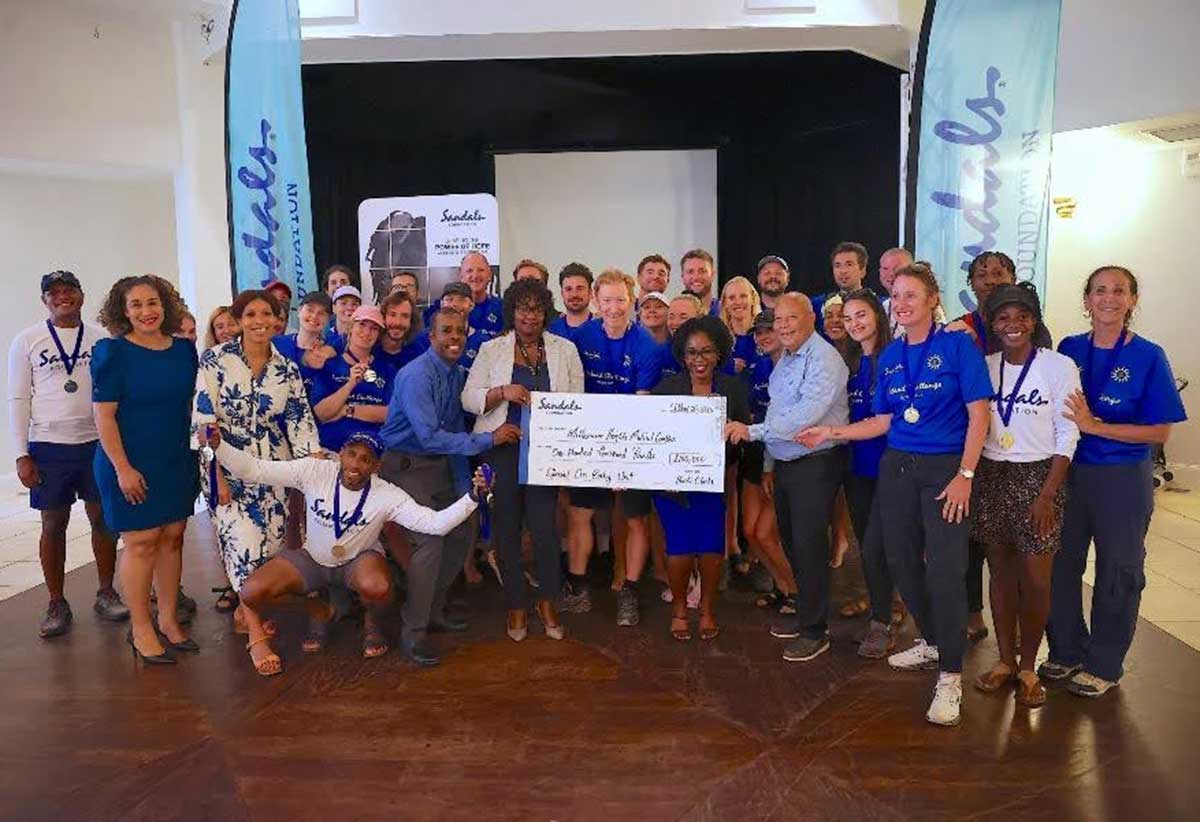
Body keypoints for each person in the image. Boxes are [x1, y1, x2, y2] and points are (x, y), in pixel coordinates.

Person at [798, 263, 992, 726]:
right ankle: (929, 640)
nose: (902, 304)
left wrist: (966, 474)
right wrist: (833, 430)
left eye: (912, 295)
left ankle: (950, 676)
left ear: (931, 299)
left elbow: (979, 414)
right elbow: (884, 420)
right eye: (897, 297)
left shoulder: (957, 346)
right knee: (900, 561)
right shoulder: (890, 357)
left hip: (947, 468)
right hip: (898, 468)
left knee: (944, 570)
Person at [203, 428, 490, 675]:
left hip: (358, 561)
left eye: (365, 459)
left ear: (376, 466)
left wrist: (473, 497)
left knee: (377, 585)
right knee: (250, 591)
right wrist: (219, 446)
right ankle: (317, 608)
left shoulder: (387, 493)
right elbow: (255, 469)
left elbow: (435, 524)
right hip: (313, 560)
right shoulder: (315, 471)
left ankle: (372, 619)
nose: (356, 464)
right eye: (351, 454)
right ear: (340, 454)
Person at [1045, 266, 1187, 698]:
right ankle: (1065, 651)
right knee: (1060, 564)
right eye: (1100, 290)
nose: (1109, 298)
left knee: (1118, 570)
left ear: (1132, 301)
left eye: (1119, 291)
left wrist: (1096, 426)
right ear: (1086, 300)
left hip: (1123, 478)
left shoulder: (1149, 355)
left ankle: (1104, 664)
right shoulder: (1069, 349)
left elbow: (1160, 431)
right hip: (1070, 473)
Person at [379, 306, 522, 666]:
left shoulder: (457, 374)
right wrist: (489, 440)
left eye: (460, 331)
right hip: (407, 465)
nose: (454, 337)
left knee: (462, 531)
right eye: (446, 331)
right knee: (430, 542)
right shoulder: (417, 376)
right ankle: (412, 634)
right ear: (431, 336)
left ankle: (432, 610)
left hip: (443, 465)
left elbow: (460, 421)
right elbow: (428, 437)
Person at [970, 283, 1080, 708]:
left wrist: (1047, 494)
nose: (1012, 324)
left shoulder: (1059, 366)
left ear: (1034, 321)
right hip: (992, 473)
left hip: (1040, 476)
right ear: (992, 325)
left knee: (1036, 578)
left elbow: (1069, 431)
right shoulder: (985, 365)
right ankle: (1005, 662)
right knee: (1000, 574)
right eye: (1003, 318)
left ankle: (1031, 665)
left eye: (1021, 317)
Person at [725, 293, 848, 664]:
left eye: (791, 318)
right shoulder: (787, 360)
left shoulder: (825, 358)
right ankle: (807, 617)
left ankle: (816, 631)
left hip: (817, 463)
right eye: (778, 320)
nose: (783, 326)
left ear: (811, 317)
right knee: (794, 544)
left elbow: (806, 416)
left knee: (810, 547)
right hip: (788, 464)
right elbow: (781, 409)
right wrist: (768, 463)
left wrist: (752, 432)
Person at [7, 270, 129, 638]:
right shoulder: (27, 340)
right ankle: (56, 601)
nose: (62, 297)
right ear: (44, 300)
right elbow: (18, 397)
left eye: (69, 290)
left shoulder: (100, 338)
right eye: (54, 292)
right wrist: (20, 453)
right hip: (48, 446)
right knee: (53, 525)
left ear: (81, 295)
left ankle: (106, 591)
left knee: (103, 520)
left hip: (96, 442)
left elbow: (116, 392)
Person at [193, 289, 320, 634]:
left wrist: (312, 467)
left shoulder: (287, 369)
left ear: (278, 320)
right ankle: (249, 621)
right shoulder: (215, 360)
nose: (259, 322)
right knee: (242, 540)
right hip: (227, 464)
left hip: (274, 466)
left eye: (267, 314)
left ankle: (249, 607)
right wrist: (215, 473)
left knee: (273, 541)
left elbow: (299, 420)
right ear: (238, 321)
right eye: (250, 315)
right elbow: (203, 421)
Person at [462, 278, 583, 641]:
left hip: (545, 454)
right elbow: (468, 398)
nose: (529, 316)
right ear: (511, 311)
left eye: (536, 308)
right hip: (502, 450)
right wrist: (501, 392)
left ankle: (547, 602)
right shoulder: (491, 349)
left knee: (546, 531)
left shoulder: (565, 350)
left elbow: (577, 402)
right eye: (522, 308)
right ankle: (516, 605)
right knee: (506, 530)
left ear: (545, 311)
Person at [92, 275, 199, 664]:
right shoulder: (111, 352)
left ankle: (169, 619)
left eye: (152, 302)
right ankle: (140, 628)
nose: (146, 311)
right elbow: (103, 417)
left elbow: (191, 406)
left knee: (173, 535)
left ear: (164, 305)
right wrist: (123, 468)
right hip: (129, 460)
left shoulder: (184, 351)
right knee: (141, 541)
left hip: (174, 457)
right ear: (123, 311)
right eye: (136, 304)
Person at [564, 268, 663, 625]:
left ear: (632, 300)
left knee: (636, 518)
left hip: (633, 439)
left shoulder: (648, 346)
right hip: (589, 439)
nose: (614, 307)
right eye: (606, 300)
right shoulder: (580, 338)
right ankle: (578, 587)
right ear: (595, 301)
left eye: (620, 300)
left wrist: (621, 462)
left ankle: (630, 593)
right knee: (580, 512)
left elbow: (641, 406)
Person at [654, 316, 751, 642]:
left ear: (719, 353)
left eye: (707, 352)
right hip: (672, 488)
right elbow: (650, 441)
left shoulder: (733, 388)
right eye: (692, 352)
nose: (699, 359)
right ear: (682, 355)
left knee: (711, 551)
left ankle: (707, 610)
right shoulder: (665, 391)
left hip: (713, 486)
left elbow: (743, 436)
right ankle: (680, 609)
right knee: (679, 550)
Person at [835, 289, 899, 658]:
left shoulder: (895, 357)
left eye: (861, 315)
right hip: (856, 468)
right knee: (868, 545)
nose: (855, 323)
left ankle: (884, 621)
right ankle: (883, 611)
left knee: (880, 546)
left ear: (877, 315)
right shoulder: (849, 361)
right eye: (848, 318)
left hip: (893, 468)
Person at [740, 309, 797, 612]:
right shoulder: (758, 367)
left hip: (781, 457)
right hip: (756, 452)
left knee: (766, 531)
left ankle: (797, 592)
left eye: (768, 330)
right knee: (751, 531)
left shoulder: (795, 368)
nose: (763, 336)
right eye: (758, 332)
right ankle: (782, 587)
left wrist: (770, 467)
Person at [311, 305, 394, 453]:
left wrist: (347, 410)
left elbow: (391, 413)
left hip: (372, 450)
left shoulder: (387, 369)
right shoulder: (330, 366)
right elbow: (321, 413)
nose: (367, 332)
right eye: (361, 325)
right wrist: (349, 385)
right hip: (332, 448)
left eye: (374, 328)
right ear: (350, 327)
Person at [422, 251, 503, 337]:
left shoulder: (502, 308)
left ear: (489, 274)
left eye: (481, 270)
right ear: (461, 275)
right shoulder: (439, 309)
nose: (475, 275)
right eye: (469, 271)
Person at [813, 241, 870, 334]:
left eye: (849, 264)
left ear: (862, 271)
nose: (843, 271)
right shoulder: (818, 304)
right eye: (837, 265)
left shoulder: (876, 305)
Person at [718, 275, 760, 375]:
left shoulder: (765, 335)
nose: (738, 302)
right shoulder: (717, 340)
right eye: (732, 298)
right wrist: (728, 367)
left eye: (743, 296)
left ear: (753, 299)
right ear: (725, 304)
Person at [373, 290, 420, 374]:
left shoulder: (418, 355)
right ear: (383, 317)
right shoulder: (369, 350)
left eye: (405, 316)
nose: (398, 322)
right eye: (392, 314)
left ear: (411, 321)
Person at [548, 262, 594, 342]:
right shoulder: (550, 331)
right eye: (568, 289)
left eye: (580, 288)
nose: (574, 294)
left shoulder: (603, 328)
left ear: (590, 292)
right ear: (562, 293)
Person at [680, 248, 721, 315]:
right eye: (690, 272)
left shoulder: (725, 311)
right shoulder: (674, 313)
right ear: (683, 277)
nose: (696, 277)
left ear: (712, 275)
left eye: (702, 271)